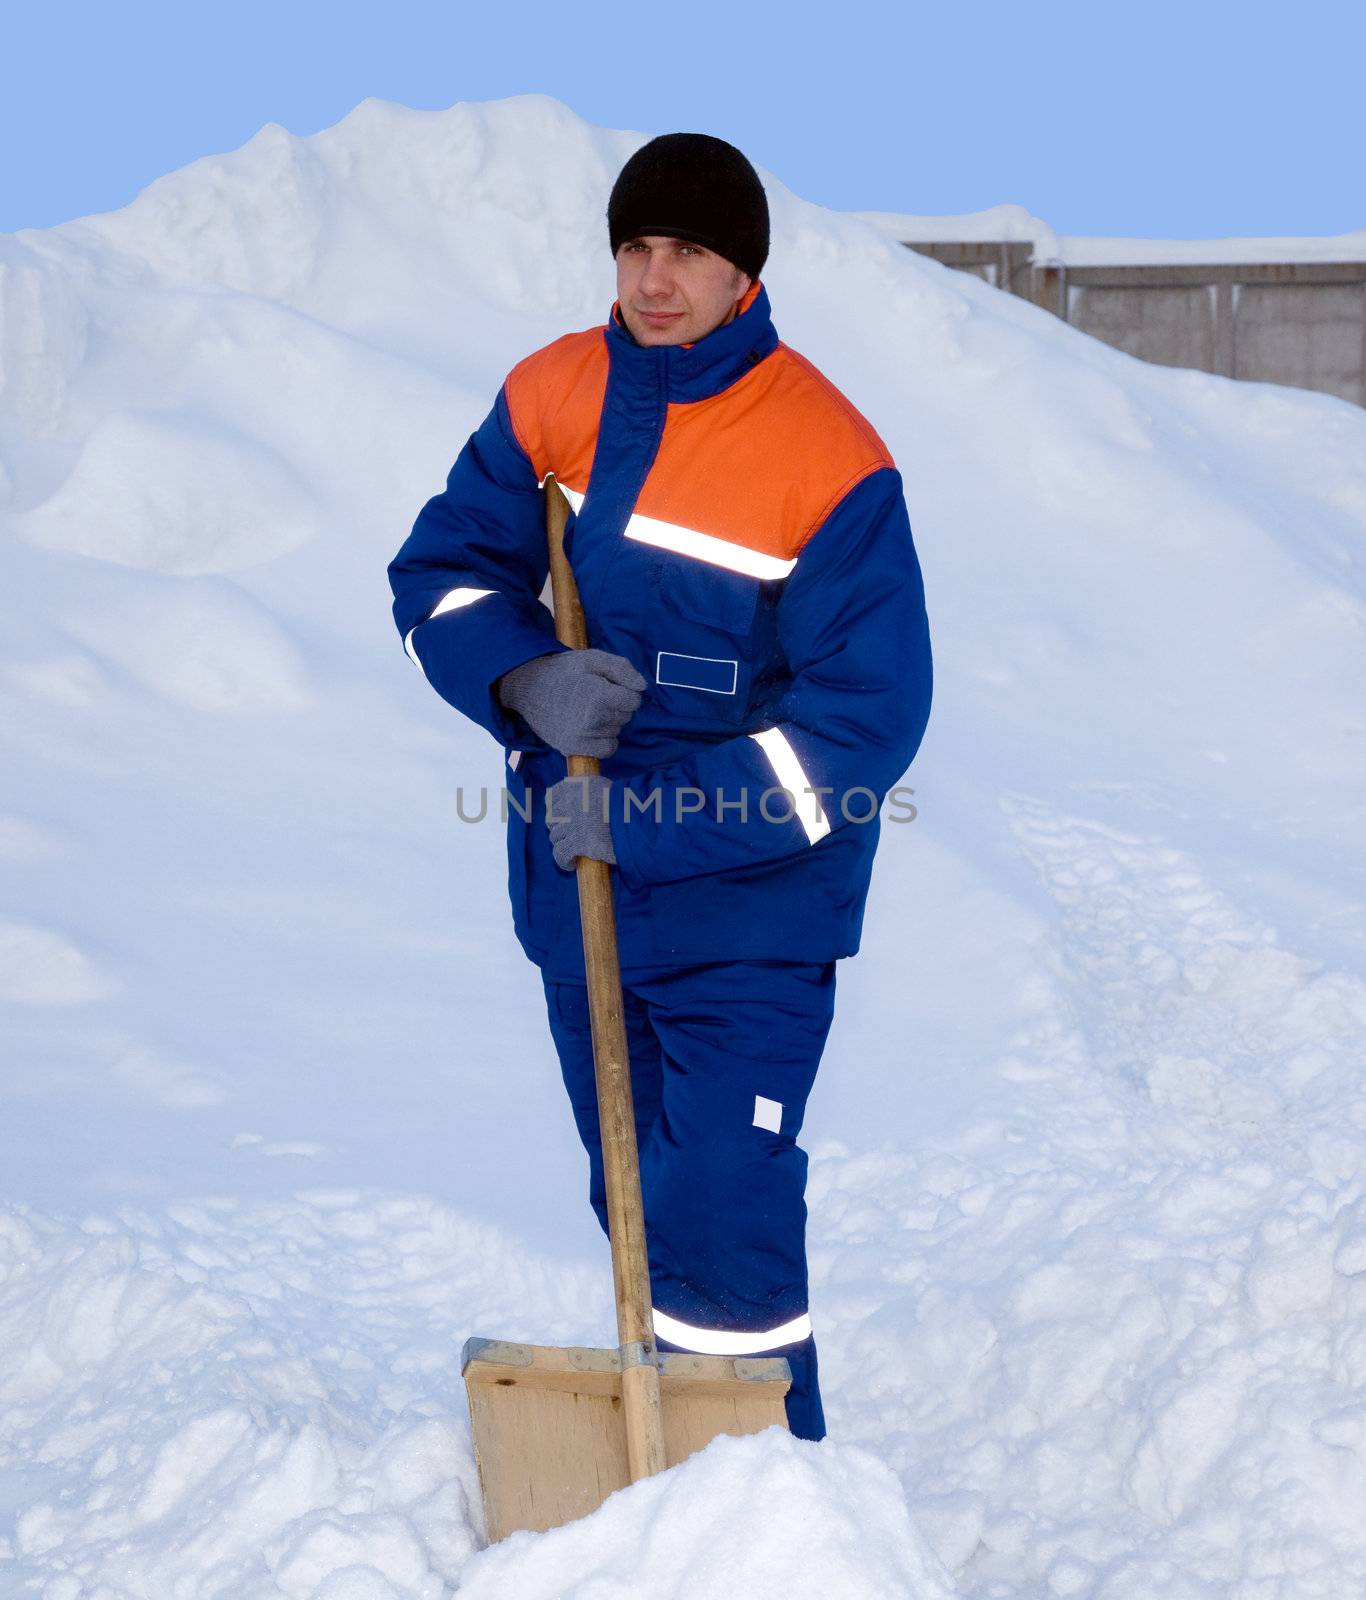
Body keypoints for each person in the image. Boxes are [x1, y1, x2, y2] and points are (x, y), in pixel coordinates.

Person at [388, 133, 932, 1440]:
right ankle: (663, 1476)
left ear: (740, 271)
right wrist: (519, 677)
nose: (654, 274)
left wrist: (644, 821)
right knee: (630, 1197)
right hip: (575, 892)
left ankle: (763, 1498)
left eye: (686, 250)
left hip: (752, 907)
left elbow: (866, 719)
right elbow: (442, 570)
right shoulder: (552, 395)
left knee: (717, 1204)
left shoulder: (824, 450)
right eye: (634, 246)